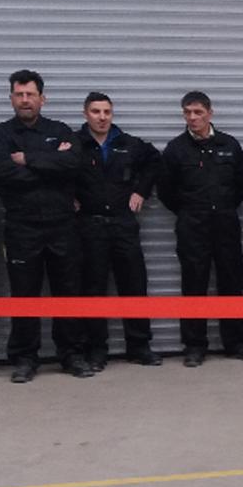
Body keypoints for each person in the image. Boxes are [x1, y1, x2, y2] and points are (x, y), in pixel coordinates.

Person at [0, 69, 93, 382]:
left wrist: (27, 159)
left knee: (68, 292)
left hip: (63, 226)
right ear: (11, 99)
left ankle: (72, 354)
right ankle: (24, 358)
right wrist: (50, 162)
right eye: (19, 95)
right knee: (25, 295)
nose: (25, 100)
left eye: (30, 94)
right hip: (22, 228)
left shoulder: (59, 130)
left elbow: (73, 164)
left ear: (42, 99)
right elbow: (3, 173)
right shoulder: (0, 135)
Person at [159, 91, 243, 366]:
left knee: (232, 283)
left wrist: (224, 207)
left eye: (198, 112)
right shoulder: (176, 149)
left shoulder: (229, 144)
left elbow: (242, 184)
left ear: (210, 114)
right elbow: (166, 190)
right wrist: (190, 212)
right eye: (188, 113)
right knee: (194, 285)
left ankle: (236, 342)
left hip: (226, 224)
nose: (193, 118)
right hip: (192, 226)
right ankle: (194, 346)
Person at [75, 92, 162, 369]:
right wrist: (68, 196)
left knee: (134, 285)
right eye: (96, 112)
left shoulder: (128, 143)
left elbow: (155, 162)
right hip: (90, 225)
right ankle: (96, 350)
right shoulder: (74, 144)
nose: (102, 118)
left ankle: (139, 346)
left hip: (123, 224)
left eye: (107, 112)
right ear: (85, 114)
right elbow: (56, 171)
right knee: (93, 289)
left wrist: (141, 190)